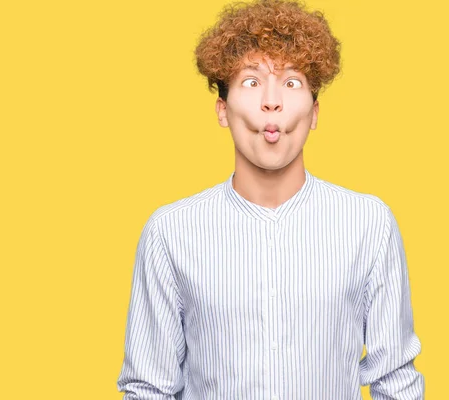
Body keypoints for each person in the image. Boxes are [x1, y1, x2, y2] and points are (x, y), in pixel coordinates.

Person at [116, 0, 424, 398]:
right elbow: (148, 388)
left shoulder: (369, 224)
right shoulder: (170, 233)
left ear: (314, 112)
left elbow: (396, 383)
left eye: (291, 81)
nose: (271, 101)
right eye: (251, 81)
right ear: (222, 110)